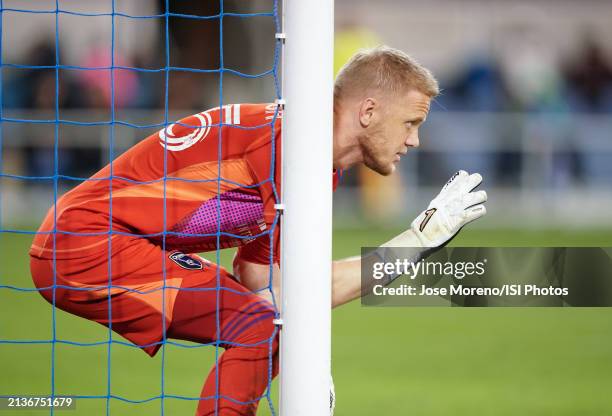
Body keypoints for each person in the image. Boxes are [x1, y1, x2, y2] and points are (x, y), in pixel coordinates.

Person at [29, 46, 487, 416]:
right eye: (411, 122)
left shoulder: (307, 156)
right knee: (261, 327)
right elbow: (296, 299)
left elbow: (264, 283)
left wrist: (302, 358)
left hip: (98, 241)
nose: (415, 140)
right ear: (369, 111)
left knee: (263, 323)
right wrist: (417, 242)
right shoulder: (292, 150)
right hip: (84, 244)